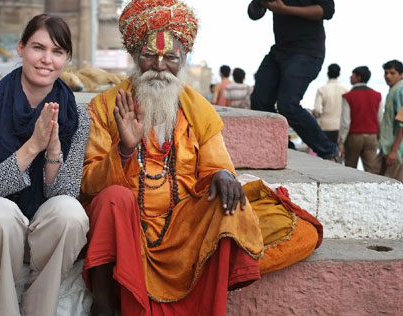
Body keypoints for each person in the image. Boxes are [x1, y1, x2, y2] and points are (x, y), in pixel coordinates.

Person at [80, 1, 321, 315]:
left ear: (182, 60)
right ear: (136, 57)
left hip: (182, 222)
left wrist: (222, 174)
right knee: (114, 199)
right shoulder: (107, 106)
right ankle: (105, 300)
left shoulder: (199, 109)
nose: (159, 65)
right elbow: (86, 183)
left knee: (231, 208)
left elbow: (215, 166)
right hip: (126, 222)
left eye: (170, 57)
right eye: (149, 55)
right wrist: (124, 151)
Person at [0, 14, 90, 316]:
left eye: (57, 51)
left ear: (67, 59)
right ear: (21, 48)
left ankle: (41, 309)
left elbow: (66, 193)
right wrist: (33, 145)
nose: (46, 60)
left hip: (36, 230)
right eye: (38, 47)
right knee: (2, 213)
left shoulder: (77, 116)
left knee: (71, 214)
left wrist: (52, 148)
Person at [248, 0, 340, 160]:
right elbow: (254, 14)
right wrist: (259, 3)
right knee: (259, 99)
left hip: (307, 52)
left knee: (288, 104)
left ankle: (328, 151)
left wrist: (284, 9)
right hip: (280, 50)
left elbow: (326, 11)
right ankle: (284, 145)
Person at [339, 66, 383, 173]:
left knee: (350, 169)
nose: (350, 77)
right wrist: (379, 137)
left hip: (354, 136)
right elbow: (380, 119)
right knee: (372, 170)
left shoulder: (348, 96)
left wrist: (340, 143)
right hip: (372, 136)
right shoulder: (377, 96)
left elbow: (345, 122)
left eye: (352, 75)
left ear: (358, 77)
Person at [377, 60, 403, 181]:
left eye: (392, 73)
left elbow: (401, 124)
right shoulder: (393, 90)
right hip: (388, 147)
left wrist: (394, 151)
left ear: (401, 74)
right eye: (386, 73)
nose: (388, 76)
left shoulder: (400, 91)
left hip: (397, 151)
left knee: (391, 184)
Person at [313, 63, 348, 144]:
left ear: (327, 73)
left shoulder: (322, 89)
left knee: (325, 153)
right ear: (339, 74)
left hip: (324, 126)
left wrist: (316, 114)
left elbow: (317, 110)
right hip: (339, 126)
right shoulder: (345, 90)